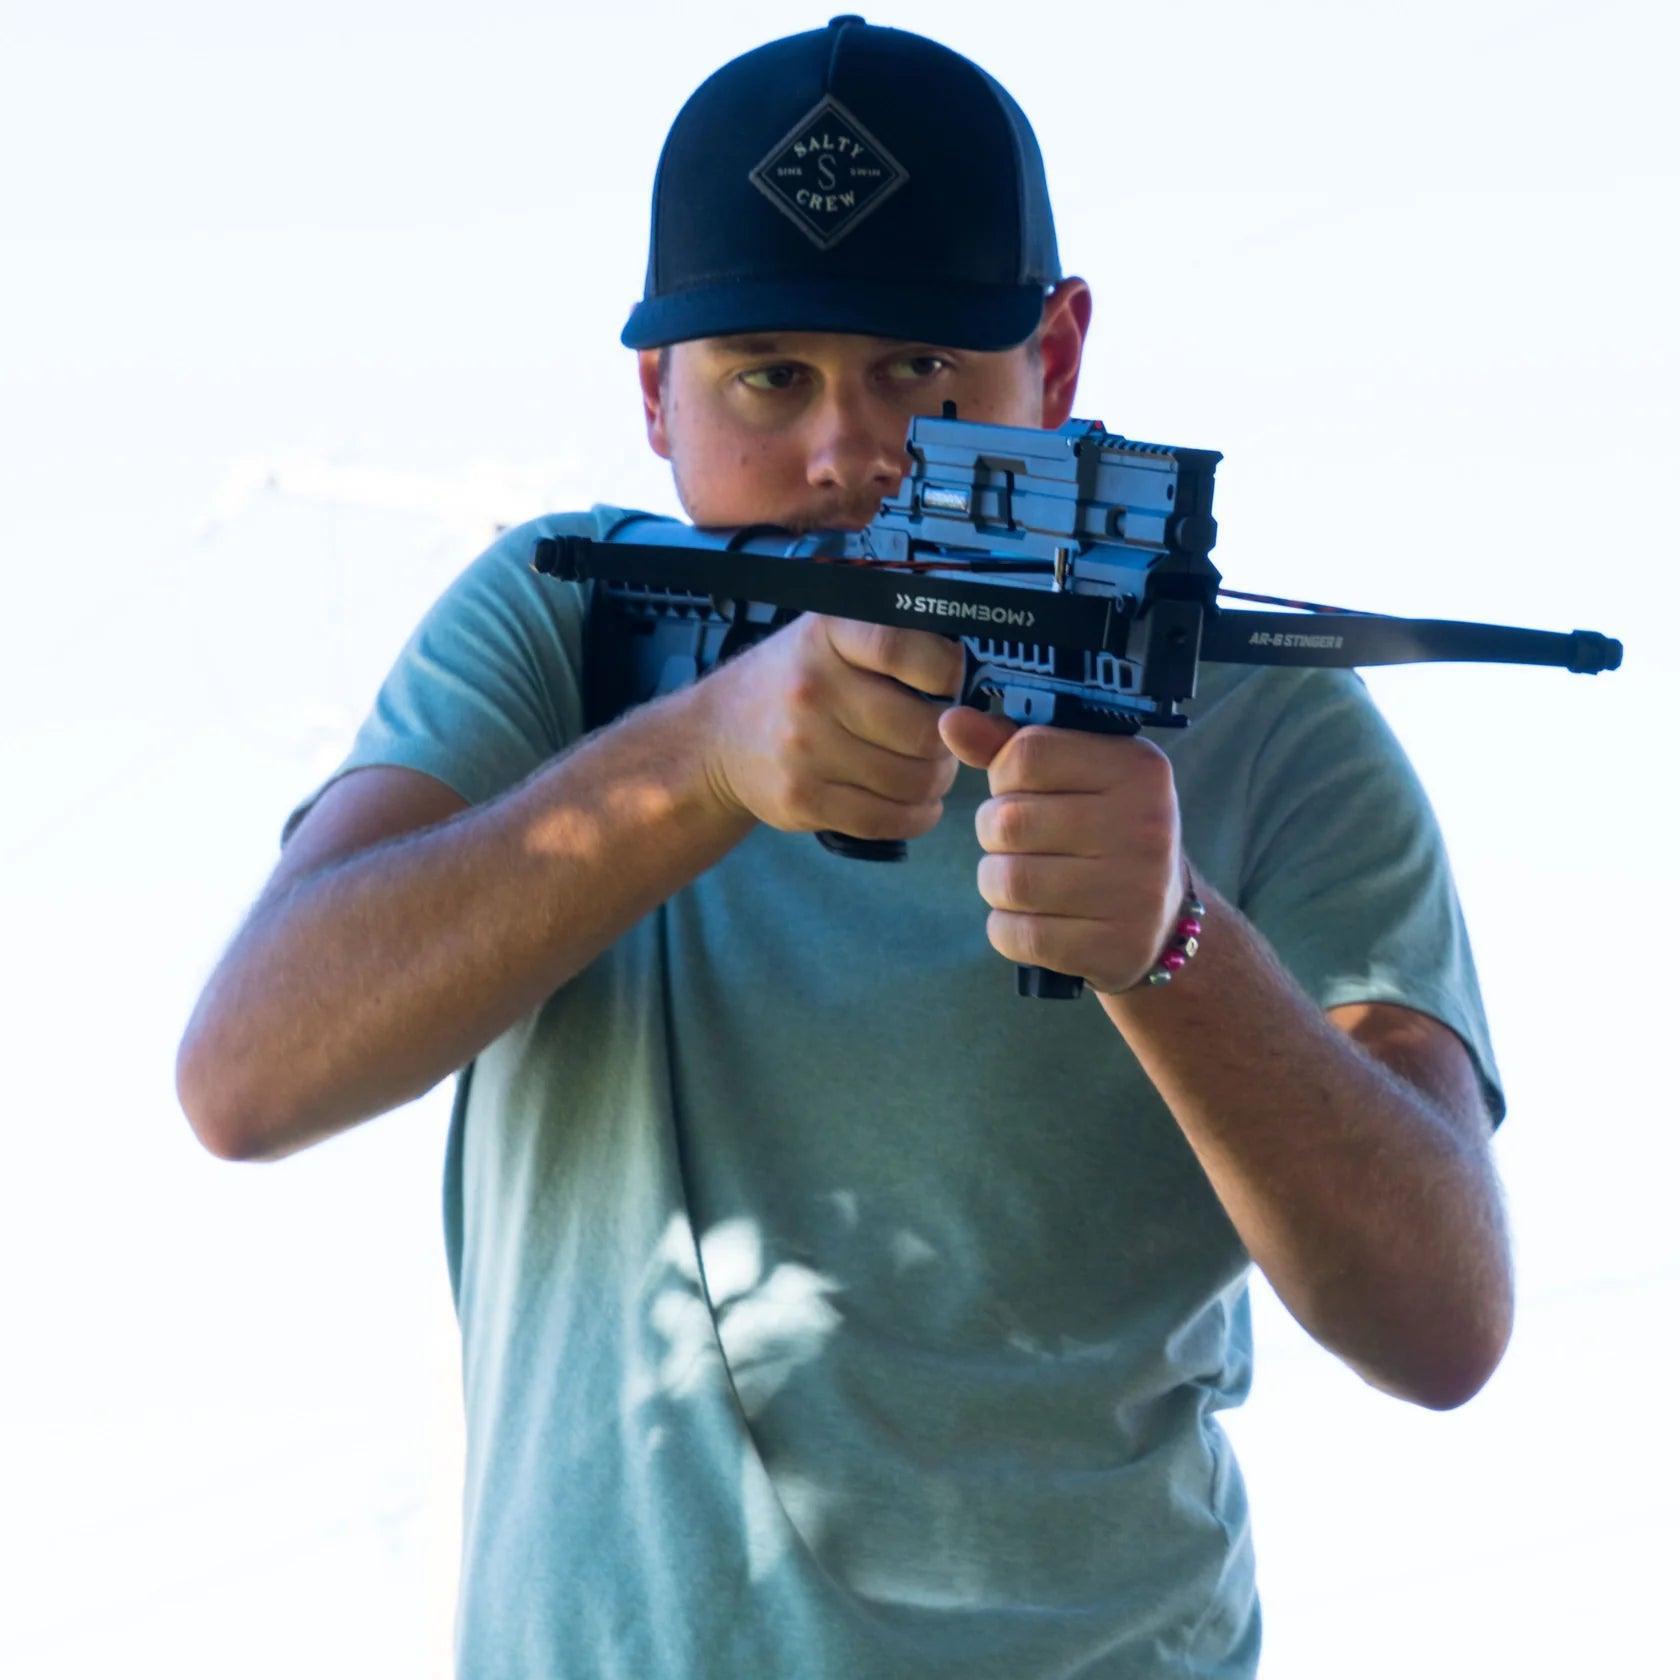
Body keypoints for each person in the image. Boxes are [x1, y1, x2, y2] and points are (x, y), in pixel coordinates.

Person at [175, 16, 1513, 1678]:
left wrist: (1170, 943)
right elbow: (246, 1075)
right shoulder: (564, 625)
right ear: (656, 396)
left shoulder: (1261, 724)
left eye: (925, 374)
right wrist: (698, 761)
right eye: (769, 377)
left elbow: (1445, 1315)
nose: (848, 450)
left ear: (1061, 358)